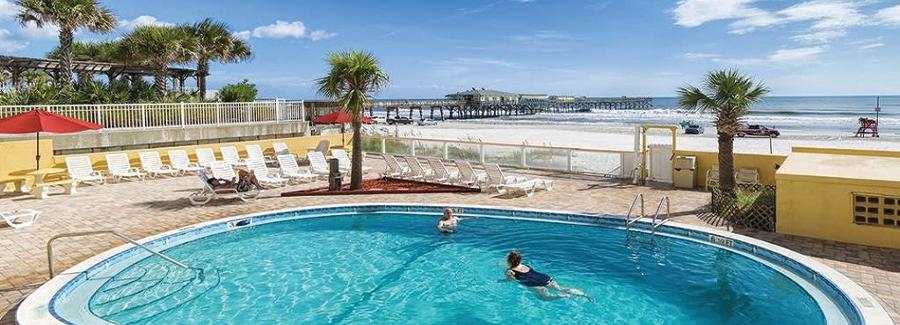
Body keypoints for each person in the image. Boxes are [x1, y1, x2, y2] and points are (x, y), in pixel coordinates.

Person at [505, 251, 591, 301]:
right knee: (561, 288)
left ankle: (562, 296)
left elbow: (510, 280)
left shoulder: (509, 271)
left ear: (509, 260)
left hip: (534, 284)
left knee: (543, 298)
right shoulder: (524, 265)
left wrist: (502, 281)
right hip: (545, 278)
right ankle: (584, 295)